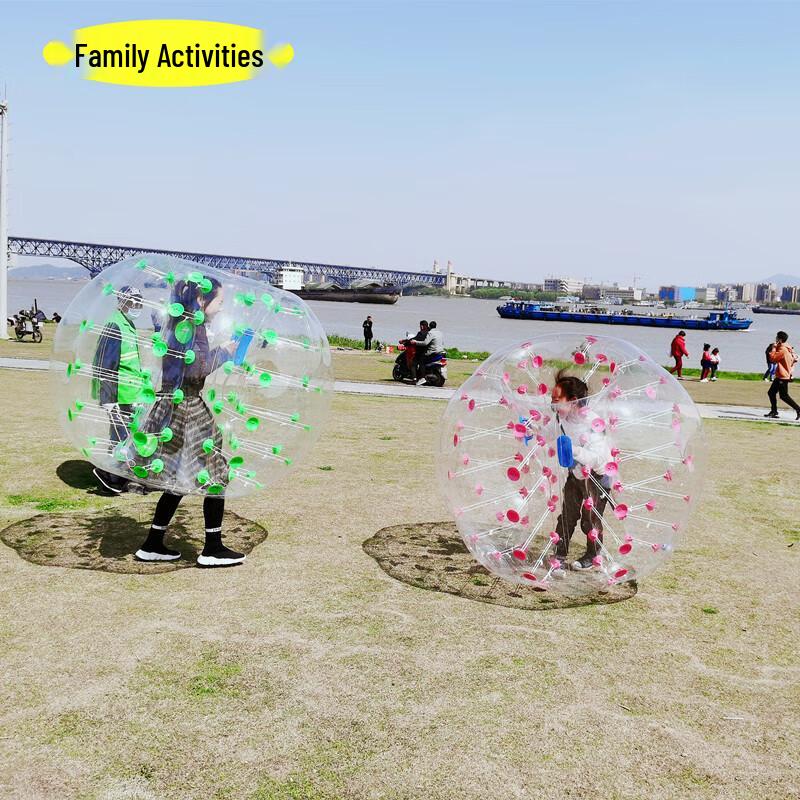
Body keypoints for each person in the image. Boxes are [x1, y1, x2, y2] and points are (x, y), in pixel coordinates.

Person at [130, 277, 245, 566]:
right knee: (216, 473)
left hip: (170, 404)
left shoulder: (177, 323)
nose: (221, 309)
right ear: (201, 301)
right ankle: (213, 548)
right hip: (189, 407)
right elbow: (196, 373)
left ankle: (153, 543)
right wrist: (225, 352)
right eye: (219, 302)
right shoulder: (194, 330)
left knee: (177, 479)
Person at [550, 372, 613, 572]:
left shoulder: (593, 423)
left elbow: (597, 459)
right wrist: (530, 428)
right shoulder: (563, 419)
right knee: (567, 516)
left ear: (574, 400)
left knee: (590, 520)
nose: (552, 405)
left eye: (556, 400)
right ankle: (559, 554)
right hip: (575, 474)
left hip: (597, 478)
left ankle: (593, 555)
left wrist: (574, 450)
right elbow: (549, 432)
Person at [91, 286, 145, 495]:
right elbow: (106, 365)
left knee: (126, 438)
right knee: (120, 439)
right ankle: (110, 479)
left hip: (130, 394)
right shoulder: (115, 325)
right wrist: (108, 399)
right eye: (133, 303)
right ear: (122, 302)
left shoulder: (127, 324)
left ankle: (123, 478)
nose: (136, 307)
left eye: (139, 303)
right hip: (119, 395)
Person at [764, 331, 800, 420]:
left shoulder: (782, 349)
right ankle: (774, 411)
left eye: (776, 337)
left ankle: (798, 409)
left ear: (779, 339)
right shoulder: (787, 347)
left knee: (784, 396)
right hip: (782, 375)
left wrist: (773, 348)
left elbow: (773, 358)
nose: (775, 339)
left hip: (783, 376)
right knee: (771, 393)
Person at [416, 320, 444, 385]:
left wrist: (416, 342)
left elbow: (425, 343)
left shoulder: (430, 333)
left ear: (429, 326)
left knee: (421, 361)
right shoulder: (440, 332)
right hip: (441, 352)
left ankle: (422, 378)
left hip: (433, 352)